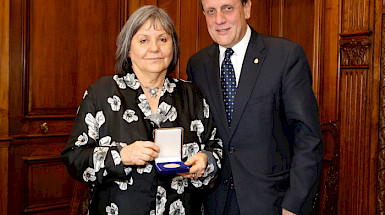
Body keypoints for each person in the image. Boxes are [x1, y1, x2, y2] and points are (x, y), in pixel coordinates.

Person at [61, 5, 222, 215]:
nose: (154, 48)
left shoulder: (192, 95)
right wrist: (121, 156)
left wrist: (206, 161)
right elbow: (74, 158)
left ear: (173, 46)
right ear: (128, 49)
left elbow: (215, 148)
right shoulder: (101, 93)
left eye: (163, 39)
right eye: (144, 40)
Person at [186, 0, 323, 214]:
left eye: (228, 8)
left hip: (271, 204)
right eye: (211, 11)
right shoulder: (197, 65)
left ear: (247, 8)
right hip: (214, 204)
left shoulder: (285, 56)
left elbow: (307, 137)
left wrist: (295, 204)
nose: (219, 19)